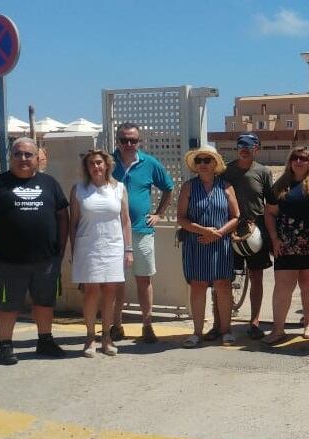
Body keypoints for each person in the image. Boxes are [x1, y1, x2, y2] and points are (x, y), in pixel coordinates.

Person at [0, 137, 70, 365]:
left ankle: (45, 340)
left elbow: (63, 217)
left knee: (45, 302)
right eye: (18, 154)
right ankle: (5, 345)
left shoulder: (50, 184)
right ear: (11, 157)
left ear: (37, 158)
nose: (23, 159)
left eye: (28, 154)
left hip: (46, 261)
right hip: (9, 262)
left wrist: (60, 250)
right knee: (8, 305)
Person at [111, 123, 175, 344]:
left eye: (133, 140)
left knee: (143, 280)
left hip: (141, 230)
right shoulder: (108, 163)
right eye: (124, 140)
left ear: (140, 142)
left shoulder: (150, 163)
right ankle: (116, 326)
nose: (128, 144)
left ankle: (147, 325)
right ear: (117, 141)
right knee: (116, 281)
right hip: (112, 233)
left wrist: (158, 214)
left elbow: (169, 187)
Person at [69, 149, 132, 357]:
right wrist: (74, 251)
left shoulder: (119, 188)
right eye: (91, 164)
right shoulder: (78, 190)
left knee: (110, 293)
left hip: (113, 247)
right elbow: (73, 223)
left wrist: (128, 249)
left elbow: (125, 221)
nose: (96, 167)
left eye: (99, 163)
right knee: (91, 292)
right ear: (86, 168)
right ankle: (90, 337)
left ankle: (107, 337)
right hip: (88, 248)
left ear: (106, 165)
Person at [177, 146, 240, 348]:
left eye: (207, 160)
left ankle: (226, 331)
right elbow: (181, 218)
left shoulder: (226, 186)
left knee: (223, 285)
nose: (202, 164)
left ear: (215, 163)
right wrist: (203, 231)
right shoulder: (188, 187)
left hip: (220, 244)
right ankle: (197, 332)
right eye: (199, 161)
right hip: (197, 243)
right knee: (198, 286)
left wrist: (218, 233)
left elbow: (236, 216)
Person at [261, 146, 309, 345]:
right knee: (282, 287)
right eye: (295, 158)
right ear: (290, 161)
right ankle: (278, 329)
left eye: (303, 158)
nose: (299, 161)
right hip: (285, 244)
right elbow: (269, 213)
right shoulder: (280, 185)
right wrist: (274, 239)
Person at [216, 133, 274, 340]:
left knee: (257, 276)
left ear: (257, 148)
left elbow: (271, 204)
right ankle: (220, 324)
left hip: (256, 231)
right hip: (230, 229)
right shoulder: (225, 171)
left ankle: (255, 321)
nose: (244, 149)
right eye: (241, 145)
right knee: (223, 278)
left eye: (249, 146)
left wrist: (273, 236)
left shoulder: (264, 172)